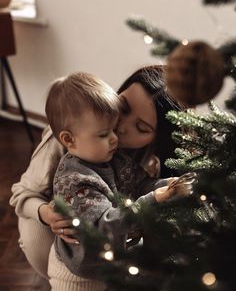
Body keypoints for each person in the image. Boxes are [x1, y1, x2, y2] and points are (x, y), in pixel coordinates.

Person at [9, 65, 185, 283]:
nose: (120, 128)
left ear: (158, 139)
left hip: (105, 226)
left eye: (141, 128)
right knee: (40, 243)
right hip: (50, 216)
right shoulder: (69, 137)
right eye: (124, 107)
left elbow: (136, 198)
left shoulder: (148, 160)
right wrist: (45, 213)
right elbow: (21, 192)